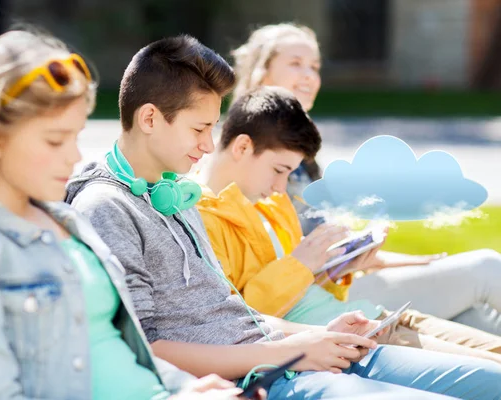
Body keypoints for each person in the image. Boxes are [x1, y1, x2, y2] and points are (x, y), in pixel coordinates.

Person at [65, 34, 501, 400]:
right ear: (150, 118)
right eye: (199, 129)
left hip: (290, 351)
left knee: (491, 380)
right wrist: (291, 351)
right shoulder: (106, 206)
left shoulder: (174, 193)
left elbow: (233, 313)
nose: (207, 144)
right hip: (268, 377)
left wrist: (316, 333)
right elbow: (145, 347)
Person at [0, 30, 253, 400]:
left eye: (76, 136)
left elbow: (116, 344)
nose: (74, 157)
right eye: (55, 140)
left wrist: (186, 387)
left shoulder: (65, 223)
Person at [196, 85, 501, 364]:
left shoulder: (271, 205)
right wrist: (300, 264)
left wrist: (337, 268)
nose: (280, 186)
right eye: (278, 170)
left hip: (379, 317)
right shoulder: (203, 218)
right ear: (242, 147)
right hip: (357, 339)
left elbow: (303, 291)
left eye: (287, 173)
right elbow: (237, 321)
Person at [231, 22, 501, 335]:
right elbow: (268, 262)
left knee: (473, 317)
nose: (309, 76)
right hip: (312, 300)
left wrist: (388, 257)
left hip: (340, 280)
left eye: (315, 67)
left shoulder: (302, 155)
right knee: (486, 267)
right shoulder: (245, 153)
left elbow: (327, 247)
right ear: (262, 74)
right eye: (295, 64)